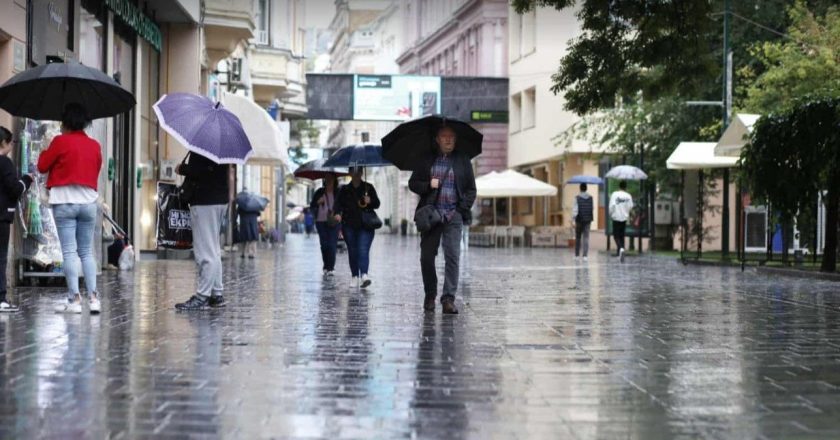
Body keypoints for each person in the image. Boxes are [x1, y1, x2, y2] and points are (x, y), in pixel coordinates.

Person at [37, 103, 103, 314]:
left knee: (69, 252)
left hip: (64, 202)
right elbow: (96, 168)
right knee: (86, 252)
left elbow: (42, 166)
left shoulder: (59, 141)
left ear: (65, 123)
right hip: (88, 203)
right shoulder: (94, 145)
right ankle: (94, 299)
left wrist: (45, 150)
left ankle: (74, 299)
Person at [409, 125, 476, 315]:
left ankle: (448, 298)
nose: (448, 140)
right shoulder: (427, 159)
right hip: (432, 215)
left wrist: (460, 211)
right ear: (437, 139)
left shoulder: (462, 160)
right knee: (426, 258)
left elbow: (471, 189)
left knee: (453, 257)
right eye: (444, 136)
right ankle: (430, 294)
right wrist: (428, 184)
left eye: (451, 137)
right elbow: (413, 183)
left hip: (453, 215)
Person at [173, 152, 229, 310]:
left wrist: (182, 168)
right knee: (214, 249)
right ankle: (217, 294)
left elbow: (199, 170)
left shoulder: (204, 148)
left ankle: (202, 296)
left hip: (205, 201)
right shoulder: (223, 147)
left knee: (205, 251)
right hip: (220, 200)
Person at [0, 127, 33, 312]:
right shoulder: (5, 163)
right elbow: (15, 189)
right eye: (11, 142)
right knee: (0, 258)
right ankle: (1, 299)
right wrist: (26, 180)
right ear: (4, 142)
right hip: (1, 216)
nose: (12, 145)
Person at [334, 167, 380, 288]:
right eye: (353, 171)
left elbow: (377, 203)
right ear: (350, 173)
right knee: (353, 251)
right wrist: (337, 213)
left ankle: (364, 275)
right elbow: (337, 205)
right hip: (349, 225)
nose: (356, 174)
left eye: (358, 171)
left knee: (363, 249)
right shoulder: (344, 189)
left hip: (366, 225)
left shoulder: (368, 188)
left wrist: (370, 200)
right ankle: (355, 276)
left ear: (361, 172)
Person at [310, 173, 340, 276]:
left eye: (331, 177)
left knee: (332, 245)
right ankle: (326, 266)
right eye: (327, 177)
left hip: (334, 221)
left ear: (334, 179)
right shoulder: (319, 192)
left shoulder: (338, 192)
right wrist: (318, 202)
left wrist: (339, 214)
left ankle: (331, 268)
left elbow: (343, 206)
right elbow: (312, 205)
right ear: (324, 179)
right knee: (324, 245)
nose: (329, 179)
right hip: (321, 221)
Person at [609, 180, 634, 263]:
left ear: (619, 186)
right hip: (624, 217)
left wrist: (611, 214)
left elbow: (611, 206)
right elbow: (630, 207)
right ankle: (619, 252)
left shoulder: (614, 194)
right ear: (625, 187)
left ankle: (620, 249)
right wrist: (626, 212)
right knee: (621, 235)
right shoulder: (628, 196)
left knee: (616, 236)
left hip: (616, 217)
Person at [573, 183, 594, 261]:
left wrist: (573, 219)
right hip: (588, 219)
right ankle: (585, 255)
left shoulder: (577, 198)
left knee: (578, 237)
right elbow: (592, 208)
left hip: (579, 219)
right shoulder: (591, 198)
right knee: (586, 237)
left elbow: (575, 210)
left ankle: (577, 255)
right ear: (586, 188)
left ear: (580, 188)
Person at [236, 189, 259, 259]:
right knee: (252, 238)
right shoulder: (254, 205)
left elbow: (238, 212)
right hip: (253, 224)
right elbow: (258, 213)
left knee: (244, 239)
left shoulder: (241, 205)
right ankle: (251, 253)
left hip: (244, 223)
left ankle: (242, 253)